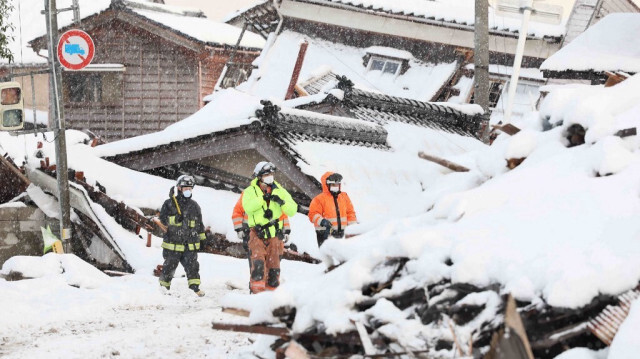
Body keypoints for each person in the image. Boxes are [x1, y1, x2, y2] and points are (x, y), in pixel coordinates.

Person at [242, 161, 297, 293]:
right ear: (259, 176)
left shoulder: (280, 191)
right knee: (258, 265)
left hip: (275, 234)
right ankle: (256, 294)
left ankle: (270, 296)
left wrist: (281, 202)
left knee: (274, 268)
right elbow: (248, 208)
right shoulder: (250, 191)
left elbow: (292, 210)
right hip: (257, 233)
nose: (270, 176)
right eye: (267, 174)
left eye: (271, 174)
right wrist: (263, 198)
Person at [158, 175, 206, 297]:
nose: (188, 191)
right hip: (173, 244)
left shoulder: (195, 206)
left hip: (190, 244)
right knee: (169, 267)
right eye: (186, 188)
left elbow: (199, 224)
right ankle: (163, 289)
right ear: (179, 188)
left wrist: (203, 240)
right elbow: (163, 220)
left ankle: (195, 289)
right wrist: (174, 219)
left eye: (190, 188)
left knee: (193, 267)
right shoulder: (169, 204)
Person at [308, 172, 357, 247]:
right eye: (333, 185)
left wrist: (353, 229)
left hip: (343, 235)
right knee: (328, 258)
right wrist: (322, 221)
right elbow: (312, 214)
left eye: (337, 184)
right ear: (327, 185)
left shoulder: (344, 197)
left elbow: (350, 213)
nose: (336, 186)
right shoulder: (319, 199)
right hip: (325, 235)